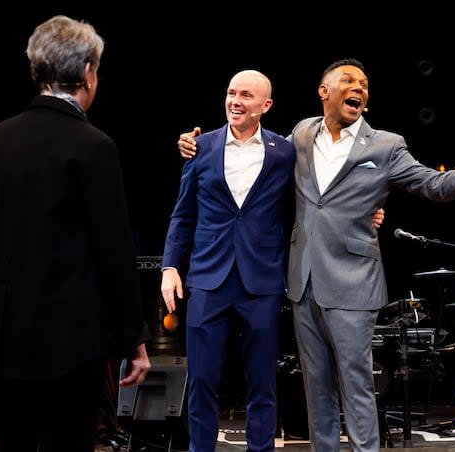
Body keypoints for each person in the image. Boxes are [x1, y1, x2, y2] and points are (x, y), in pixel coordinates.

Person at [177, 58, 455, 451]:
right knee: (317, 391)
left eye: (364, 84)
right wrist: (195, 141)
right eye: (348, 81)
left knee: (357, 387)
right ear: (324, 92)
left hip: (353, 281)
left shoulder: (385, 145)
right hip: (303, 283)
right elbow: (253, 156)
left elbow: (436, 185)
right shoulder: (300, 135)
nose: (359, 88)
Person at [0, 15, 151, 452]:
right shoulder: (93, 145)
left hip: (1, 343)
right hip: (68, 347)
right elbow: (114, 255)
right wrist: (133, 340)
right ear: (87, 73)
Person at [160, 69, 295, 452]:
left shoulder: (283, 153)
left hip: (261, 282)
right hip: (207, 279)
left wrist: (369, 213)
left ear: (265, 106)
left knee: (262, 383)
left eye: (246, 96)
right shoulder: (201, 148)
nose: (235, 101)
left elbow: (311, 202)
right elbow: (183, 213)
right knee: (201, 382)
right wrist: (171, 266)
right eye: (231, 93)